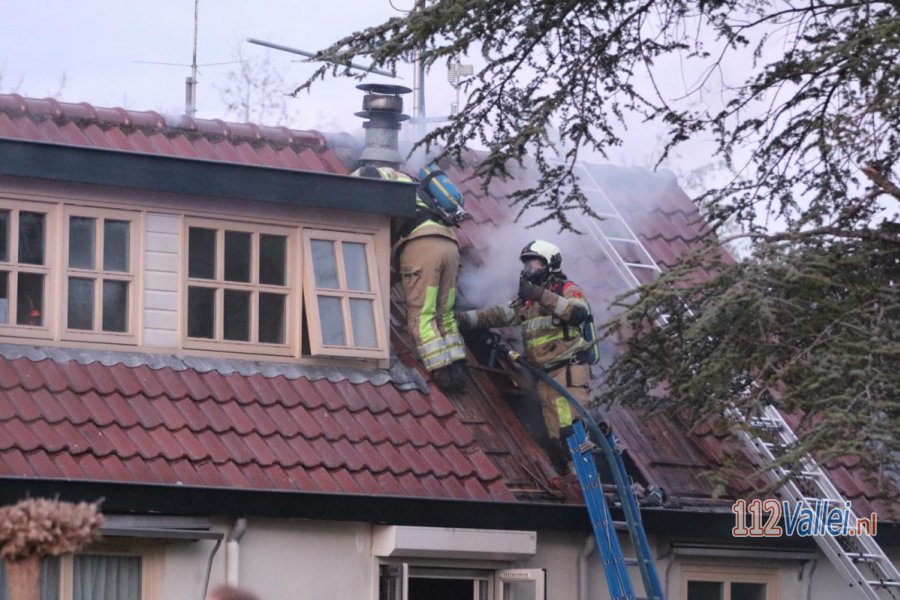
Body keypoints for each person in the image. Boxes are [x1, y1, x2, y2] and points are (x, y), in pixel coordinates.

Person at [457, 240, 593, 474]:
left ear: (550, 264)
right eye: (527, 263)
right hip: (545, 374)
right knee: (555, 433)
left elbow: (578, 312)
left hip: (567, 371)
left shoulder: (566, 289)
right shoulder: (528, 301)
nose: (528, 268)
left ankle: (584, 477)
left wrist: (542, 295)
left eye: (535, 263)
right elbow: (499, 314)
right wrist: (461, 320)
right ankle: (575, 477)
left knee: (570, 428)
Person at [352, 164, 467, 393]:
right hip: (450, 244)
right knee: (444, 312)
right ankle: (458, 367)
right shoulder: (409, 182)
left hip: (422, 246)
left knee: (420, 313)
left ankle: (442, 373)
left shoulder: (367, 178)